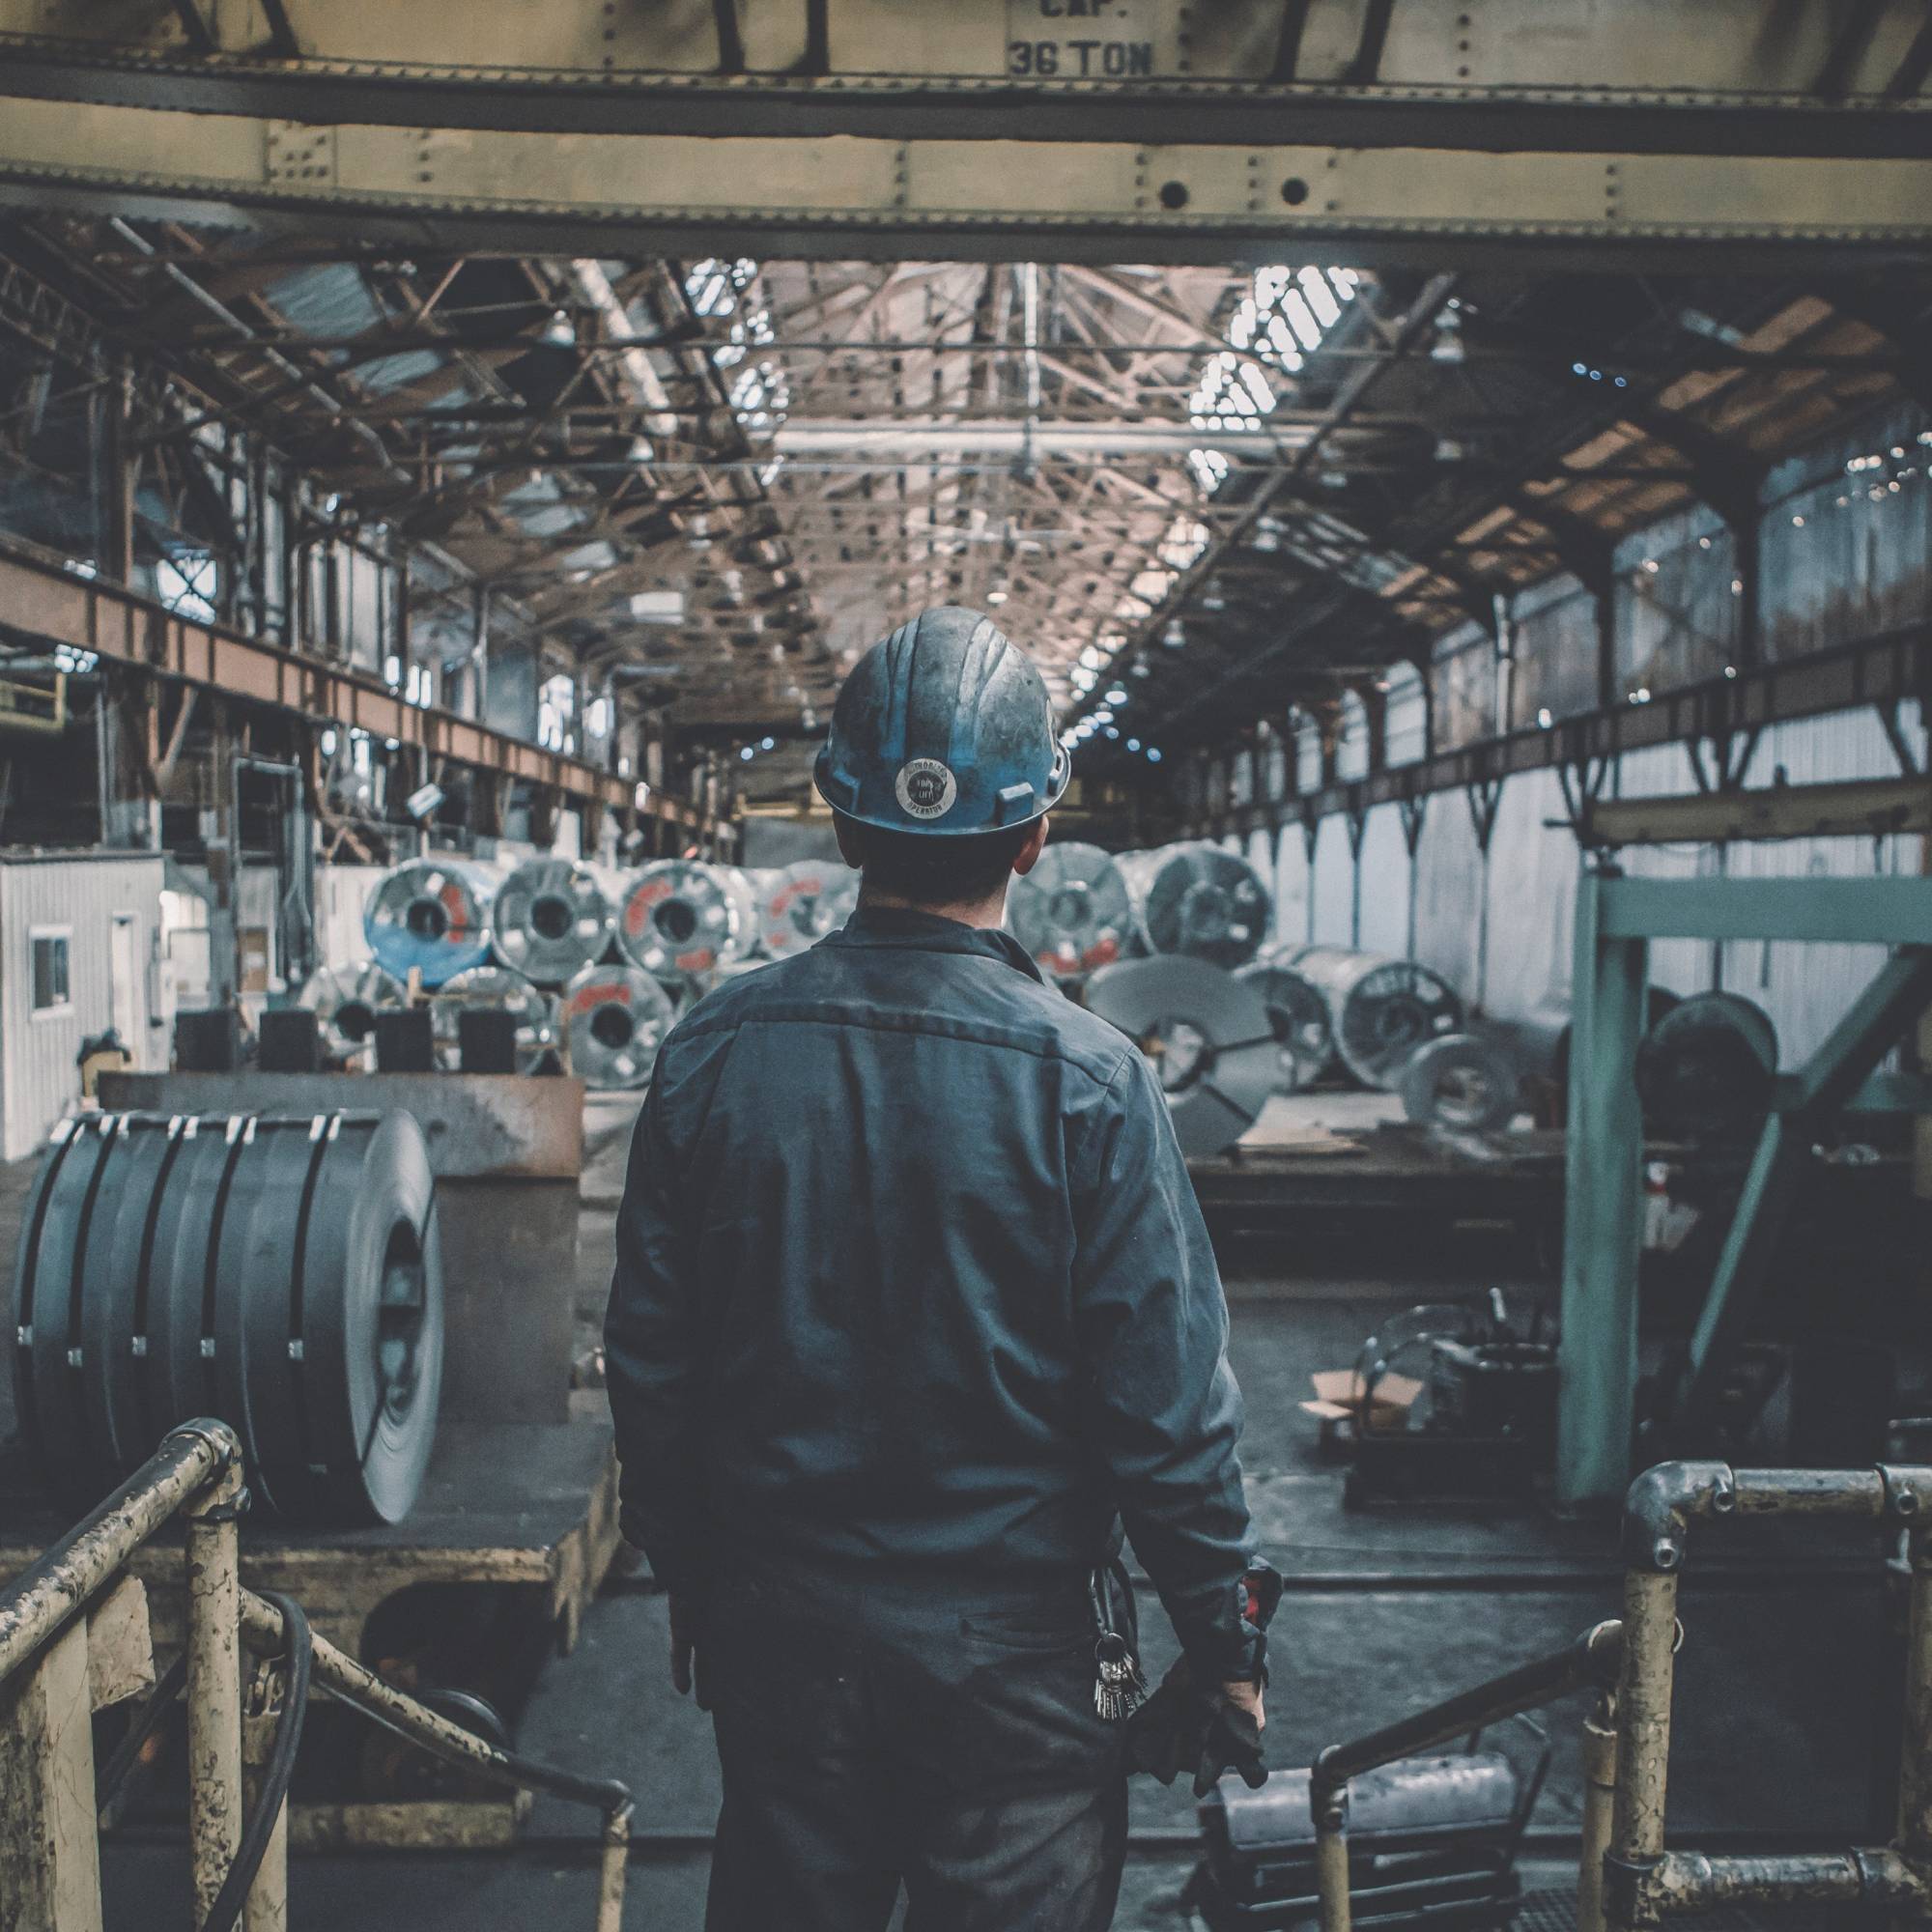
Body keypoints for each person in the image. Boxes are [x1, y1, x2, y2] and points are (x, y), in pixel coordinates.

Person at [605, 605, 1274, 1932]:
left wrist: (694, 1574)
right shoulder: (1091, 1081)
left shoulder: (713, 1054)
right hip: (1017, 1658)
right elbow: (1167, 1409)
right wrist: (1223, 1635)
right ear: (1037, 835)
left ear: (838, 826)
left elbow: (652, 1367)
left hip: (780, 1627)